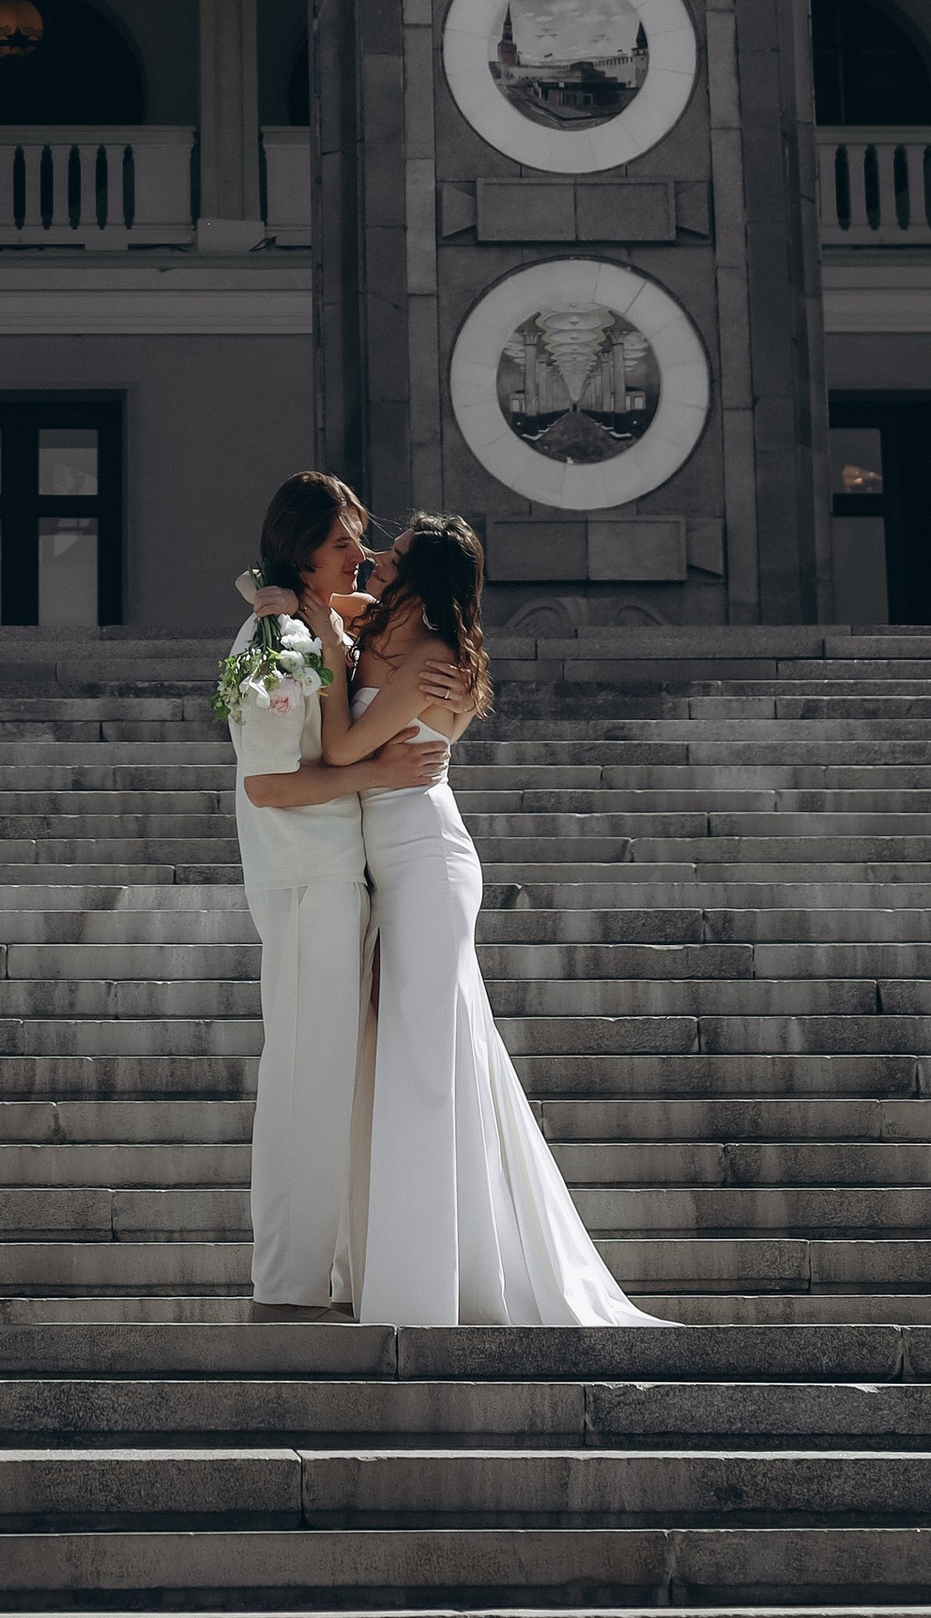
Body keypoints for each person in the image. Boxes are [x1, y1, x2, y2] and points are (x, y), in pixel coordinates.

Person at [322, 511, 660, 1328]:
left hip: (426, 865)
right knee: (407, 1054)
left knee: (423, 1061)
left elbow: (341, 751)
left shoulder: (436, 660)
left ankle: (430, 1281)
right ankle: (418, 1260)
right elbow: (322, 603)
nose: (377, 558)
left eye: (396, 555)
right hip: (387, 865)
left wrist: (333, 662)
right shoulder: (383, 629)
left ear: (422, 579)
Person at [225, 471, 456, 1315]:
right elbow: (268, 786)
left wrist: (286, 592)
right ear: (302, 552)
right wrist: (380, 770)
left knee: (333, 1087)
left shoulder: (301, 620)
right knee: (307, 1088)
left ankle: (319, 1277)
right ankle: (288, 1288)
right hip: (307, 883)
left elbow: (358, 608)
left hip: (338, 879)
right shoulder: (274, 646)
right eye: (341, 543)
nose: (360, 554)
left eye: (362, 537)